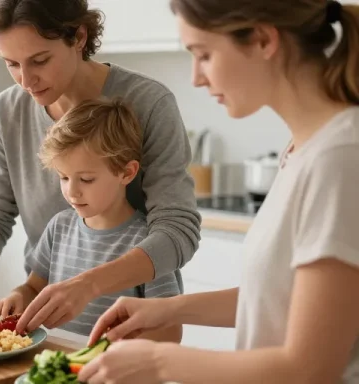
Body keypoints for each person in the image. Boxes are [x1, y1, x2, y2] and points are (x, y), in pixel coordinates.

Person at [77, 1, 359, 383]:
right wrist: (168, 310)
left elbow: (309, 368)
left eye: (204, 55)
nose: (196, 77)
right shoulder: (303, 149)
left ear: (262, 40)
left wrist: (158, 362)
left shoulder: (339, 157)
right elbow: (279, 301)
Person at [0, 0, 201, 327]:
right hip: (47, 324)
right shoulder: (8, 110)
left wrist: (88, 285)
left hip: (125, 327)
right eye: (11, 64)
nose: (25, 81)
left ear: (78, 37)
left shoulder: (148, 103)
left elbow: (177, 229)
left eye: (40, 60)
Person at [0, 98, 183, 341]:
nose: (72, 191)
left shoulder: (147, 245)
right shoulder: (59, 227)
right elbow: (33, 287)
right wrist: (19, 296)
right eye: (63, 177)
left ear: (126, 172)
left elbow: (171, 330)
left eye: (86, 179)